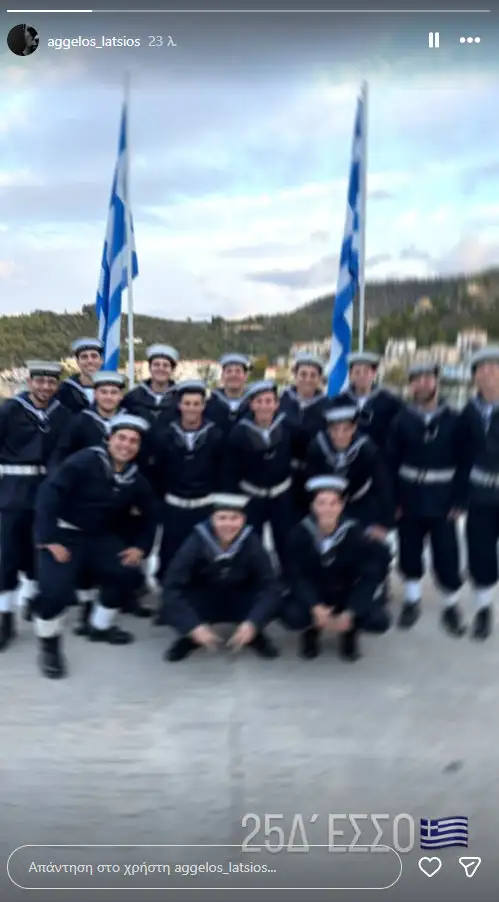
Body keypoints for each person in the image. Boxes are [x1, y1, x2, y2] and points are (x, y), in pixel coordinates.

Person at [33, 414, 157, 678]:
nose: (126, 445)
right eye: (121, 438)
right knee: (55, 593)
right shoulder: (84, 461)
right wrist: (48, 538)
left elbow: (150, 516)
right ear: (109, 439)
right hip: (65, 534)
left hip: (99, 537)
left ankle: (99, 627)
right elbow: (48, 494)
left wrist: (140, 547)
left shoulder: (136, 478)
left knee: (126, 572)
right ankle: (49, 645)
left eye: (133, 441)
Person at [386, 362, 465, 634]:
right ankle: (411, 601)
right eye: (416, 379)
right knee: (409, 550)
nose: (422, 384)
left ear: (436, 382)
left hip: (443, 497)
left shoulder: (455, 418)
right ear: (411, 385)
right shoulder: (401, 420)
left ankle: (451, 606)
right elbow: (390, 463)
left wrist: (460, 501)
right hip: (409, 495)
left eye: (427, 378)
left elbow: (465, 462)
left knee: (447, 553)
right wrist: (394, 501)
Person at [157, 493, 281, 662]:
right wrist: (192, 626)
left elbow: (270, 585)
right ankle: (190, 636)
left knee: (273, 600)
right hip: (205, 597)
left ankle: (253, 634)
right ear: (212, 519)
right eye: (222, 518)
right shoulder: (196, 542)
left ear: (243, 519)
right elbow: (171, 585)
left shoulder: (251, 542)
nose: (228, 524)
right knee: (169, 606)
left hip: (240, 596)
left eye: (234, 518)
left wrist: (253, 622)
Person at [0, 361, 70, 650]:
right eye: (40, 381)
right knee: (6, 556)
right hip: (11, 491)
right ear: (29, 382)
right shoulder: (10, 409)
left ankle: (30, 600)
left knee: (37, 551)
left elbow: (62, 453)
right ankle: (5, 619)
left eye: (51, 382)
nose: (45, 387)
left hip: (44, 490)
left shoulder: (62, 414)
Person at [282, 476, 391, 661]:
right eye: (321, 503)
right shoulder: (299, 534)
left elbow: (369, 576)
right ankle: (311, 631)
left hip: (346, 594)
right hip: (316, 594)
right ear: (312, 506)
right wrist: (315, 606)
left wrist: (351, 611)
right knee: (291, 615)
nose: (328, 509)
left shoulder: (356, 534)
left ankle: (349, 631)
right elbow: (295, 575)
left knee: (378, 620)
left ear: (341, 506)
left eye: (333, 503)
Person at [150, 380, 224, 580]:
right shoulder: (165, 436)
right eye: (187, 403)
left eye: (196, 404)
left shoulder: (216, 435)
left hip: (204, 507)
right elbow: (157, 473)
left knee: (205, 558)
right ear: (179, 405)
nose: (191, 408)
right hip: (174, 508)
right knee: (169, 559)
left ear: (203, 406)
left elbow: (222, 472)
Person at [224, 380, 298, 569]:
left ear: (276, 404)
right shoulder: (239, 433)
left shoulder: (288, 426)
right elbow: (231, 470)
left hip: (281, 496)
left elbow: (299, 454)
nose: (264, 406)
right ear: (252, 405)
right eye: (259, 401)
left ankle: (289, 580)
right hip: (252, 496)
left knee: (287, 543)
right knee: (250, 544)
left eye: (269, 401)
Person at [457, 347, 499, 639]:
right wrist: (459, 498)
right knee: (480, 555)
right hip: (480, 495)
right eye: (482, 369)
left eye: (494, 367)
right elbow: (461, 458)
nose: (488, 373)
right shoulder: (468, 412)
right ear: (475, 377)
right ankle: (484, 611)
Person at [279, 352, 330, 517]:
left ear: (319, 378)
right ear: (295, 375)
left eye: (313, 375)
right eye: (303, 374)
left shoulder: (328, 406)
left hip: (313, 473)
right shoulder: (281, 401)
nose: (308, 379)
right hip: (284, 474)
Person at [337, 352, 402, 455]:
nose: (361, 376)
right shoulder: (340, 401)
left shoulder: (390, 401)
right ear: (350, 375)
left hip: (380, 457)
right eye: (357, 372)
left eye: (366, 372)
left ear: (374, 374)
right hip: (348, 456)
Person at [56, 370, 126, 459]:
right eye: (103, 392)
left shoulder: (128, 421)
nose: (108, 397)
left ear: (121, 395)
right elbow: (62, 454)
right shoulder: (79, 422)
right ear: (95, 394)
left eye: (114, 392)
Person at [123, 343, 179, 427]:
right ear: (149, 368)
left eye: (166, 365)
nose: (161, 368)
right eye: (156, 364)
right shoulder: (133, 397)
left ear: (172, 369)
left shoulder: (180, 397)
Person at [204, 353, 251, 435]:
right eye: (229, 371)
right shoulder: (209, 405)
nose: (233, 375)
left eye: (238, 371)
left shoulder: (254, 405)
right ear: (222, 376)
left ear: (245, 376)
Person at [56, 338, 104, 413]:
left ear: (101, 360)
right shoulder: (64, 390)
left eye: (94, 356)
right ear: (77, 361)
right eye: (84, 357)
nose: (90, 361)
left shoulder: (111, 390)